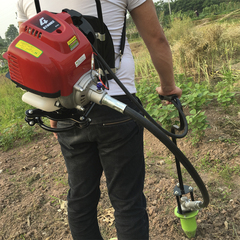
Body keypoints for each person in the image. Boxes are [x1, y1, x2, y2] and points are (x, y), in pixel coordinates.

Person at [16, 0, 182, 239]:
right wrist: (168, 87)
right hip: (118, 106)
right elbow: (156, 39)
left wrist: (52, 107)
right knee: (127, 202)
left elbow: (28, 52)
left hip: (67, 108)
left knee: (81, 198)